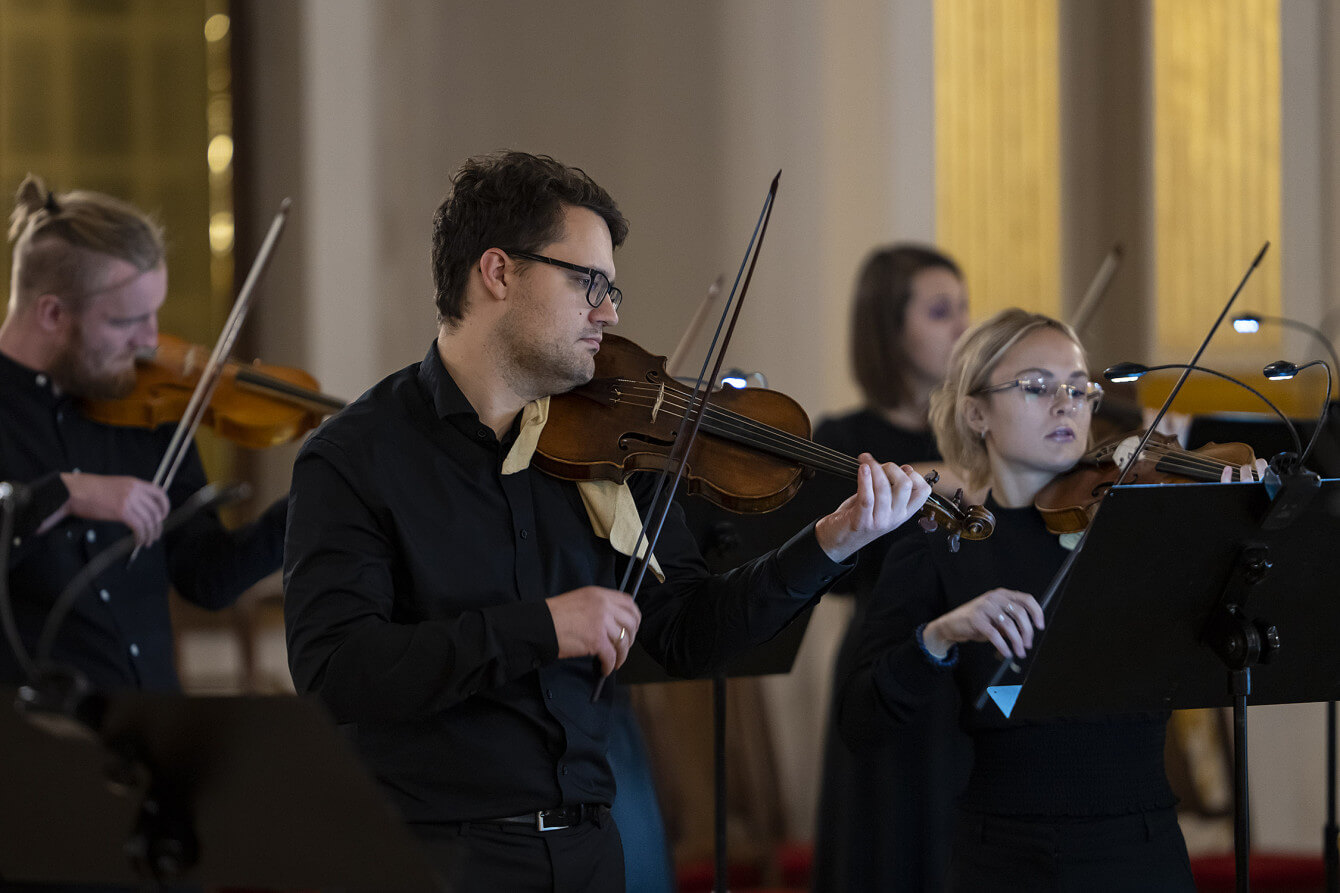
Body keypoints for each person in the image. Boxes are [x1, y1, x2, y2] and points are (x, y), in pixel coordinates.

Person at [281, 150, 933, 893]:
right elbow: (336, 672)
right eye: (587, 283)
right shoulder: (355, 457)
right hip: (434, 859)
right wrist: (542, 627)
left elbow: (686, 634)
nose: (610, 313)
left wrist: (829, 544)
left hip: (589, 852)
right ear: (498, 272)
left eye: (611, 289)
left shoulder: (611, 451)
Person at [838, 308, 1265, 891]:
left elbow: (1227, 648)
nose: (1067, 405)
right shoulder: (935, 550)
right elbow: (861, 721)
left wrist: (1239, 527)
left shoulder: (1141, 528)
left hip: (1140, 848)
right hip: (1000, 856)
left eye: (1079, 388)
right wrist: (937, 637)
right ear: (976, 412)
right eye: (1037, 387)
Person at [0, 175, 286, 694]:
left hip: (150, 730)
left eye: (153, 314)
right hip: (28, 736)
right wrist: (63, 494)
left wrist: (317, 499)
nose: (150, 340)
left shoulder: (143, 404)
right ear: (52, 313)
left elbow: (206, 577)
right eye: (126, 321)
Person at [810, 243, 972, 893]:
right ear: (888, 328)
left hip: (972, 664)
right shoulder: (844, 440)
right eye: (940, 311)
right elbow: (833, 573)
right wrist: (945, 478)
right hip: (885, 662)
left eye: (964, 308)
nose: (963, 327)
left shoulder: (975, 433)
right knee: (887, 849)